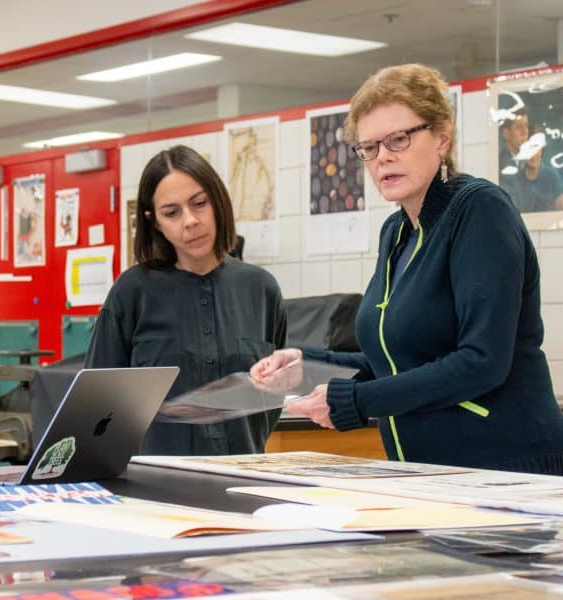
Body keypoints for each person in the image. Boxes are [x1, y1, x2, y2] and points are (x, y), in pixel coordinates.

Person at [251, 64, 563, 475]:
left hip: (506, 467)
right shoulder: (397, 231)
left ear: (442, 137)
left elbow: (481, 361)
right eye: (370, 147)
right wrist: (305, 364)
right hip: (428, 470)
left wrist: (354, 402)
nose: (383, 157)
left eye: (398, 139)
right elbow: (397, 359)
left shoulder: (479, 210)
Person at [85, 145, 287, 455]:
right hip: (152, 487)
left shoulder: (261, 290)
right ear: (155, 222)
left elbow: (270, 398)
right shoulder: (132, 292)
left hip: (242, 479)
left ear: (217, 202)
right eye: (172, 212)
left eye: (199, 203)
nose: (190, 221)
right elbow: (97, 404)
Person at [498, 105, 563, 213]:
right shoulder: (508, 173)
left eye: (526, 126)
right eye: (519, 127)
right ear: (506, 133)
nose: (525, 132)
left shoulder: (552, 178)